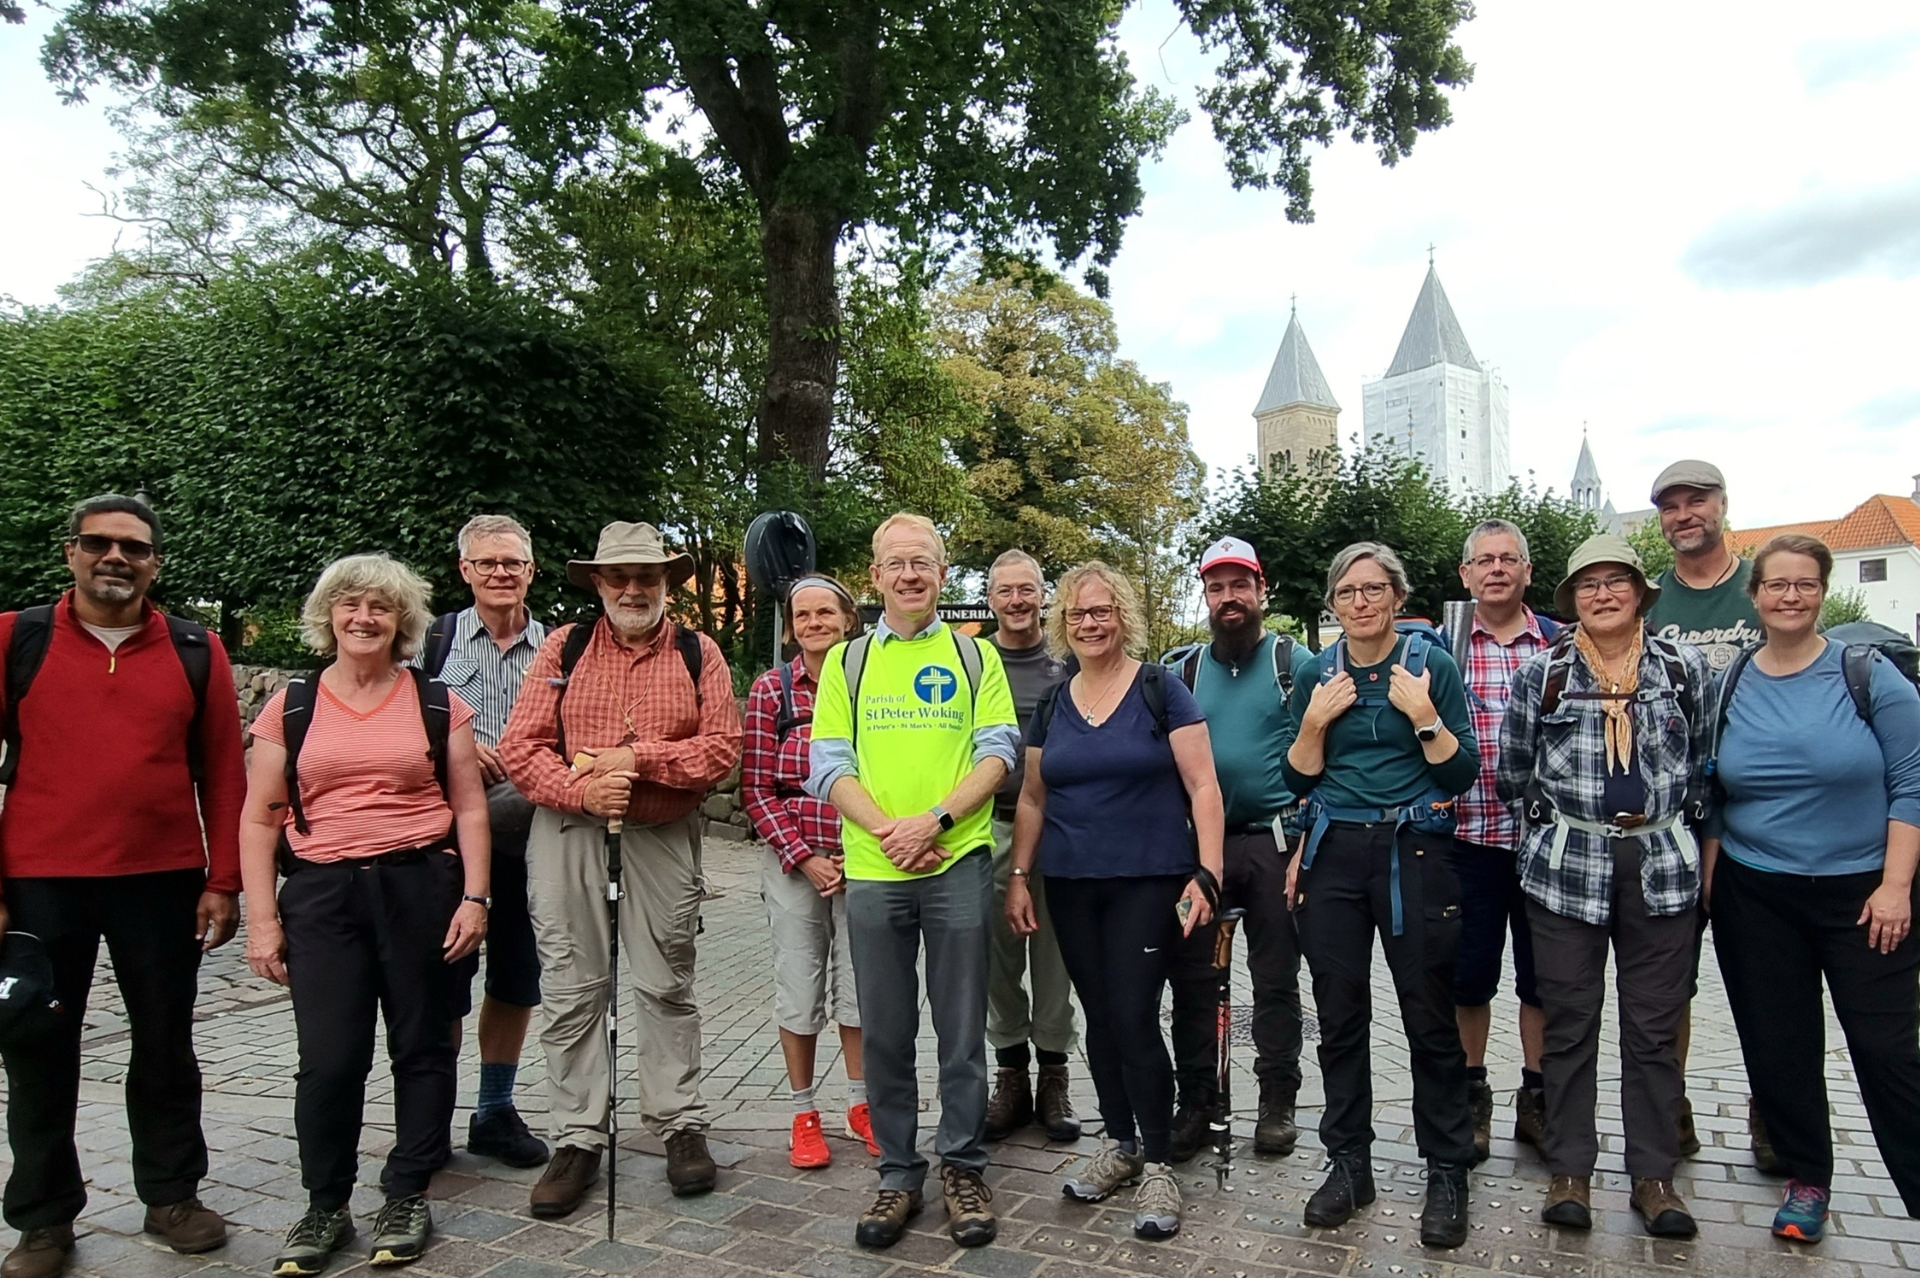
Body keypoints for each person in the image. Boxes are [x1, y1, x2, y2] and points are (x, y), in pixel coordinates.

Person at [0, 495, 245, 1278]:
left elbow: (226, 774)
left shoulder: (195, 649)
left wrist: (225, 879)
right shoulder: (15, 639)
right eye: (99, 544)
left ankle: (172, 1195)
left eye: (133, 548)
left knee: (167, 1047)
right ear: (70, 551)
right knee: (37, 1051)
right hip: (41, 880)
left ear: (154, 563)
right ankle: (43, 1220)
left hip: (161, 881)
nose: (116, 558)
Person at [240, 553, 493, 1274]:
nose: (364, 617)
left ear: (401, 621)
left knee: (422, 1047)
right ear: (329, 615)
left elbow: (470, 806)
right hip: (323, 895)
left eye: (380, 607)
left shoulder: (436, 701)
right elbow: (260, 821)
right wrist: (263, 919)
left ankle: (407, 1190)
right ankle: (325, 1203)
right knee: (328, 1059)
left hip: (420, 887)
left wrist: (476, 897)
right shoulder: (292, 705)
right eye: (350, 605)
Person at [498, 522, 742, 1215]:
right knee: (575, 983)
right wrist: (583, 790)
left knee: (667, 978)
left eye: (648, 576)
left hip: (662, 832)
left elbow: (722, 746)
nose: (633, 588)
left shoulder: (699, 651)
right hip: (569, 831)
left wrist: (639, 761)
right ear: (599, 583)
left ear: (667, 582)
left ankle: (679, 1122)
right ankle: (578, 1134)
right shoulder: (563, 646)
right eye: (619, 577)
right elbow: (523, 747)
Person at [806, 512, 1018, 1250]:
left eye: (922, 562)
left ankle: (962, 1165)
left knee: (962, 1034)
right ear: (875, 576)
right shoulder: (847, 662)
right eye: (895, 563)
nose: (909, 575)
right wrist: (891, 833)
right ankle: (898, 1172)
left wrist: (932, 822)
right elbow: (829, 766)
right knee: (888, 1034)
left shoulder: (974, 659)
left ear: (941, 570)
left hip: (957, 862)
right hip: (873, 871)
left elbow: (998, 754)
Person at [1704, 533, 1920, 1244]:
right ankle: (1807, 1182)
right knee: (1779, 1046)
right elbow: (1711, 789)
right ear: (1755, 594)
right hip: (1757, 892)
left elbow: (1912, 785)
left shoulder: (1868, 674)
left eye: (1804, 583)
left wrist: (1896, 886)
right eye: (1777, 584)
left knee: (1887, 1050)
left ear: (1821, 591)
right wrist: (1712, 880)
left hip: (1864, 896)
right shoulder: (1731, 681)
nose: (1790, 596)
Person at [1496, 533, 1713, 1240]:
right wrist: (1558, 832)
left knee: (1652, 1031)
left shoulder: (1683, 669)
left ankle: (1654, 1176)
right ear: (1572, 599)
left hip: (1661, 868)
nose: (1603, 594)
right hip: (1567, 869)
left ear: (1640, 592)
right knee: (1569, 1026)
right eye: (1588, 585)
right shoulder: (1544, 674)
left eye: (1616, 580)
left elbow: (1705, 768)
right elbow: (1513, 771)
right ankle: (1570, 1171)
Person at [1005, 562, 1224, 1239]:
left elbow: (1204, 787)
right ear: (1062, 623)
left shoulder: (1161, 689)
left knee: (1133, 1013)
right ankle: (1121, 1143)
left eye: (1102, 611)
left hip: (1149, 880)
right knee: (1100, 1016)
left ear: (1122, 616)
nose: (1091, 623)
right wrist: (1019, 874)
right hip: (1071, 884)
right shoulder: (1054, 700)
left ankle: (1157, 1159)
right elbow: (1034, 796)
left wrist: (1209, 873)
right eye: (1078, 614)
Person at [1281, 541, 1478, 1249]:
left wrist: (1424, 717)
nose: (1360, 603)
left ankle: (1447, 1170)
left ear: (1396, 596)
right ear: (1332, 605)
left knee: (1429, 1017)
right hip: (1335, 854)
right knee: (1339, 1015)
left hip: (1414, 850)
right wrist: (1313, 723)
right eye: (1346, 593)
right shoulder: (1316, 673)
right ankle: (1348, 1164)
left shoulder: (1431, 667)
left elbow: (1461, 775)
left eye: (1373, 590)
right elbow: (1298, 779)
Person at [1167, 536, 1312, 1162]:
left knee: (1276, 980)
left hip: (1275, 845)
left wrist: (1311, 838)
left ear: (1261, 590)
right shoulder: (1183, 670)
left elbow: (1323, 753)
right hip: (1204, 852)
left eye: (1240, 585)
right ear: (1205, 595)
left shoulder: (1294, 661)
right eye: (1217, 587)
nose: (1230, 598)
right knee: (1195, 981)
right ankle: (1196, 1100)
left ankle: (1278, 1100)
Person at [418, 515, 550, 1169]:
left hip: (532, 843)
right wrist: (461, 748)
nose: (501, 573)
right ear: (465, 571)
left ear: (532, 570)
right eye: (487, 562)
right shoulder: (430, 643)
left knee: (518, 979)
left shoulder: (560, 649)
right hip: (446, 843)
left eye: (513, 563)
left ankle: (495, 1110)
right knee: (445, 977)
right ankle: (432, 1116)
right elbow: (394, 721)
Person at [1643, 458, 1764, 1162]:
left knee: (1763, 977)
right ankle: (1672, 1104)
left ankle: (1772, 1109)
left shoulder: (1759, 590)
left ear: (1723, 504)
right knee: (1670, 981)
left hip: (1754, 812)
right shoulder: (1653, 603)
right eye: (1672, 506)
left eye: (1698, 502)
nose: (1686, 515)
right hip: (1678, 817)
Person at [739, 574, 880, 1168]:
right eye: (803, 615)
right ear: (791, 625)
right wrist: (804, 856)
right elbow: (756, 787)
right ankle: (803, 1111)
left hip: (866, 857)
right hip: (797, 862)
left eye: (826, 612)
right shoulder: (773, 690)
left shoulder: (873, 683)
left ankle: (860, 1104)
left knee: (861, 989)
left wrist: (867, 841)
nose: (814, 623)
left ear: (849, 619)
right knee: (800, 986)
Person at [1444, 520, 1555, 1160]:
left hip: (1545, 845)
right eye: (1483, 560)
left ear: (1526, 572)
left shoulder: (1561, 647)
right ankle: (1470, 1093)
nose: (1496, 570)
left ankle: (1537, 1099)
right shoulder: (1444, 646)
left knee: (1543, 982)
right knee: (1469, 979)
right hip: (1467, 839)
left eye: (1508, 559)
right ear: (1466, 575)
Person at [980, 549, 1080, 1144]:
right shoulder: (974, 662)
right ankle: (1010, 1074)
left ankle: (1055, 1076)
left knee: (1056, 960)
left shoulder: (1067, 665)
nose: (1017, 601)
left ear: (1043, 595)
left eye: (1027, 590)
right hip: (989, 824)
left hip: (1058, 829)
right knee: (996, 960)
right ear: (990, 598)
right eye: (1005, 591)